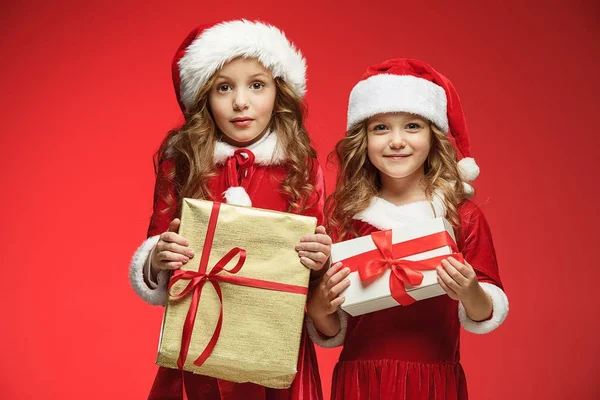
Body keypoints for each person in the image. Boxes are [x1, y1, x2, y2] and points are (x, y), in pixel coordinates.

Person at [129, 20, 330, 400]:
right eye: (224, 87)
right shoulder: (183, 163)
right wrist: (157, 256)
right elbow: (156, 246)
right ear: (204, 98)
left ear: (278, 92)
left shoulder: (301, 167)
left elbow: (315, 274)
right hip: (199, 339)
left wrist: (321, 260)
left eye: (257, 85)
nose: (241, 102)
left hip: (275, 347)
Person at [306, 58, 509, 400]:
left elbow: (484, 312)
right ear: (363, 139)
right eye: (380, 128)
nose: (396, 141)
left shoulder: (463, 216)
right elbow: (332, 328)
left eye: (412, 126)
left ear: (434, 136)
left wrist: (469, 290)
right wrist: (320, 306)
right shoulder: (346, 219)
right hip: (360, 382)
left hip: (434, 383)